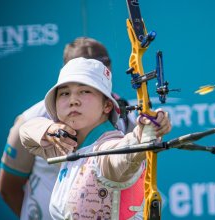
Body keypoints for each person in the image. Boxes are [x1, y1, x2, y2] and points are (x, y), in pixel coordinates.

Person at [0, 37, 135, 219]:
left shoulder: (124, 111)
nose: (73, 100)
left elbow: (127, 160)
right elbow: (9, 187)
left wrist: (143, 135)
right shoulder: (33, 116)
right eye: (66, 93)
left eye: (102, 63)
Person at [19, 57, 171, 219]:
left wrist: (145, 132)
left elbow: (124, 154)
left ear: (107, 105)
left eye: (85, 91)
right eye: (64, 93)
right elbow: (26, 133)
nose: (73, 101)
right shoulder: (67, 146)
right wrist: (49, 129)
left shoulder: (106, 148)